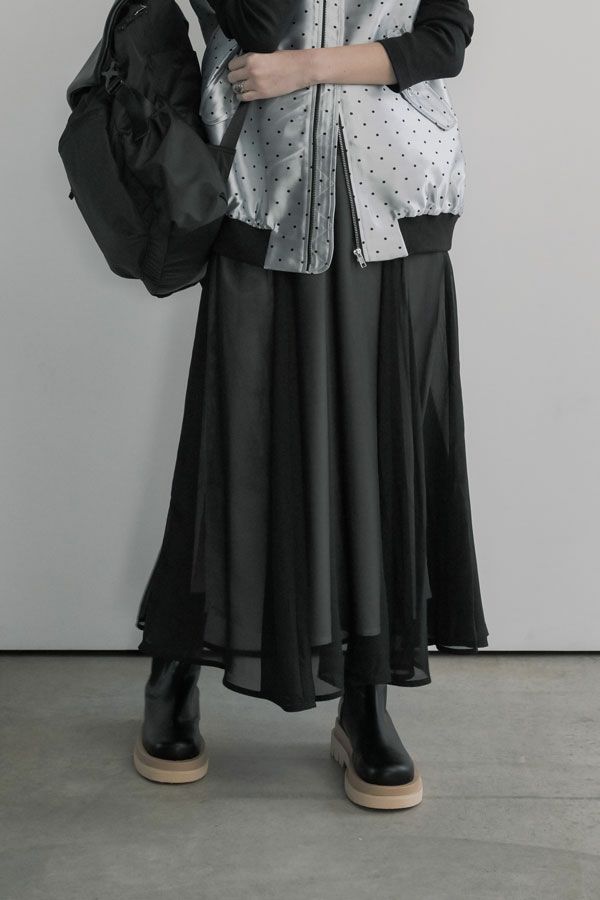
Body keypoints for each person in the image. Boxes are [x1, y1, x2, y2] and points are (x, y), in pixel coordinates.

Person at [132, 0, 489, 810]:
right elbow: (257, 25)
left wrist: (308, 68)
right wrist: (289, 60)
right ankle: (175, 671)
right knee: (236, 443)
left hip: (395, 197)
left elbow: (443, 41)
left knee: (378, 455)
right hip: (264, 192)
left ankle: (366, 700)